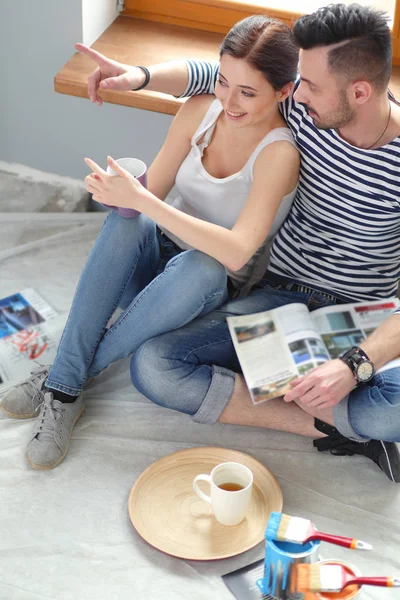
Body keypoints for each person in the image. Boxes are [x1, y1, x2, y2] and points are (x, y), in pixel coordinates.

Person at [71, 3, 400, 483]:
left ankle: (346, 410)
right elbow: (213, 74)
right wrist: (139, 75)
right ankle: (339, 426)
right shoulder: (304, 104)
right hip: (276, 296)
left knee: (391, 409)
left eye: (308, 84)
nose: (297, 91)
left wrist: (354, 367)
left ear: (360, 91)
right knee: (154, 365)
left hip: (360, 317)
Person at [0, 17, 300, 470]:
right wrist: (121, 195)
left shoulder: (279, 154)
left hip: (205, 287)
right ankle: (67, 379)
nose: (229, 100)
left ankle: (62, 383)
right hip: (152, 264)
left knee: (201, 265)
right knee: (127, 222)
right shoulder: (201, 109)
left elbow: (237, 251)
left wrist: (142, 201)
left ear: (283, 92)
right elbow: (149, 197)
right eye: (223, 82)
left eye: (247, 92)